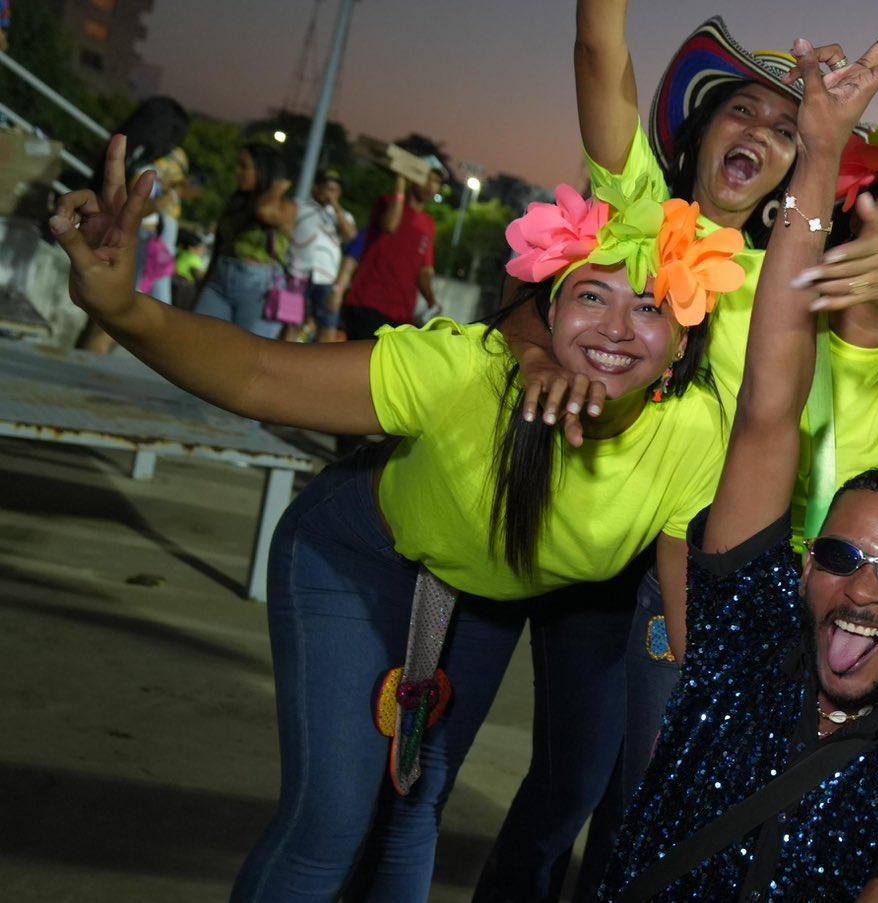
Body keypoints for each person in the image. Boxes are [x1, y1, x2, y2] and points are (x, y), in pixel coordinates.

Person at [47, 132, 745, 901]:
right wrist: (124, 308)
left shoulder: (694, 435)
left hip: (473, 598)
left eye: (649, 307)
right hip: (354, 558)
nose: (616, 327)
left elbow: (682, 621)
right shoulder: (465, 376)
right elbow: (257, 373)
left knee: (415, 807)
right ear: (549, 314)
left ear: (680, 348)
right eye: (592, 295)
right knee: (332, 823)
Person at [595, 28, 878, 901]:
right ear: (861, 207)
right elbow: (750, 427)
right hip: (707, 588)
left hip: (840, 610)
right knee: (655, 797)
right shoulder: (753, 290)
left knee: (790, 831)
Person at [192, 142, 296, 338]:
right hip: (220, 279)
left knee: (247, 358)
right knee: (201, 343)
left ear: (263, 170)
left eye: (244, 166)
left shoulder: (287, 206)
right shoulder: (237, 203)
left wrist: (277, 187)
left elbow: (264, 212)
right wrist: (203, 287)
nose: (237, 172)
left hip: (259, 289)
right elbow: (220, 246)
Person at [343, 148, 443, 339]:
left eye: (437, 181)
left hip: (400, 314)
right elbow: (390, 225)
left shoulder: (429, 224)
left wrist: (432, 301)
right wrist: (400, 182)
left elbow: (425, 271)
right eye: (428, 178)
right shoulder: (386, 203)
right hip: (367, 303)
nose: (432, 186)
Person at [291, 170, 357, 342]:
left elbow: (352, 237)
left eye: (334, 189)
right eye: (327, 188)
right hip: (299, 274)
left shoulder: (344, 216)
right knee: (291, 321)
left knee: (327, 326)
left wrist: (335, 206)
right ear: (317, 188)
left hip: (327, 279)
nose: (330, 192)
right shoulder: (300, 207)